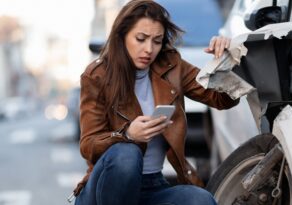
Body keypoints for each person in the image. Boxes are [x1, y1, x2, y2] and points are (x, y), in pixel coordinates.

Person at [72, 0, 239, 204]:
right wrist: (127, 134)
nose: (149, 49)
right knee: (127, 155)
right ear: (122, 36)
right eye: (140, 39)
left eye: (157, 41)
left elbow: (222, 100)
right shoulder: (97, 75)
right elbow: (88, 145)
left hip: (153, 186)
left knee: (200, 200)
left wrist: (226, 62)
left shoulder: (171, 65)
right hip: (105, 190)